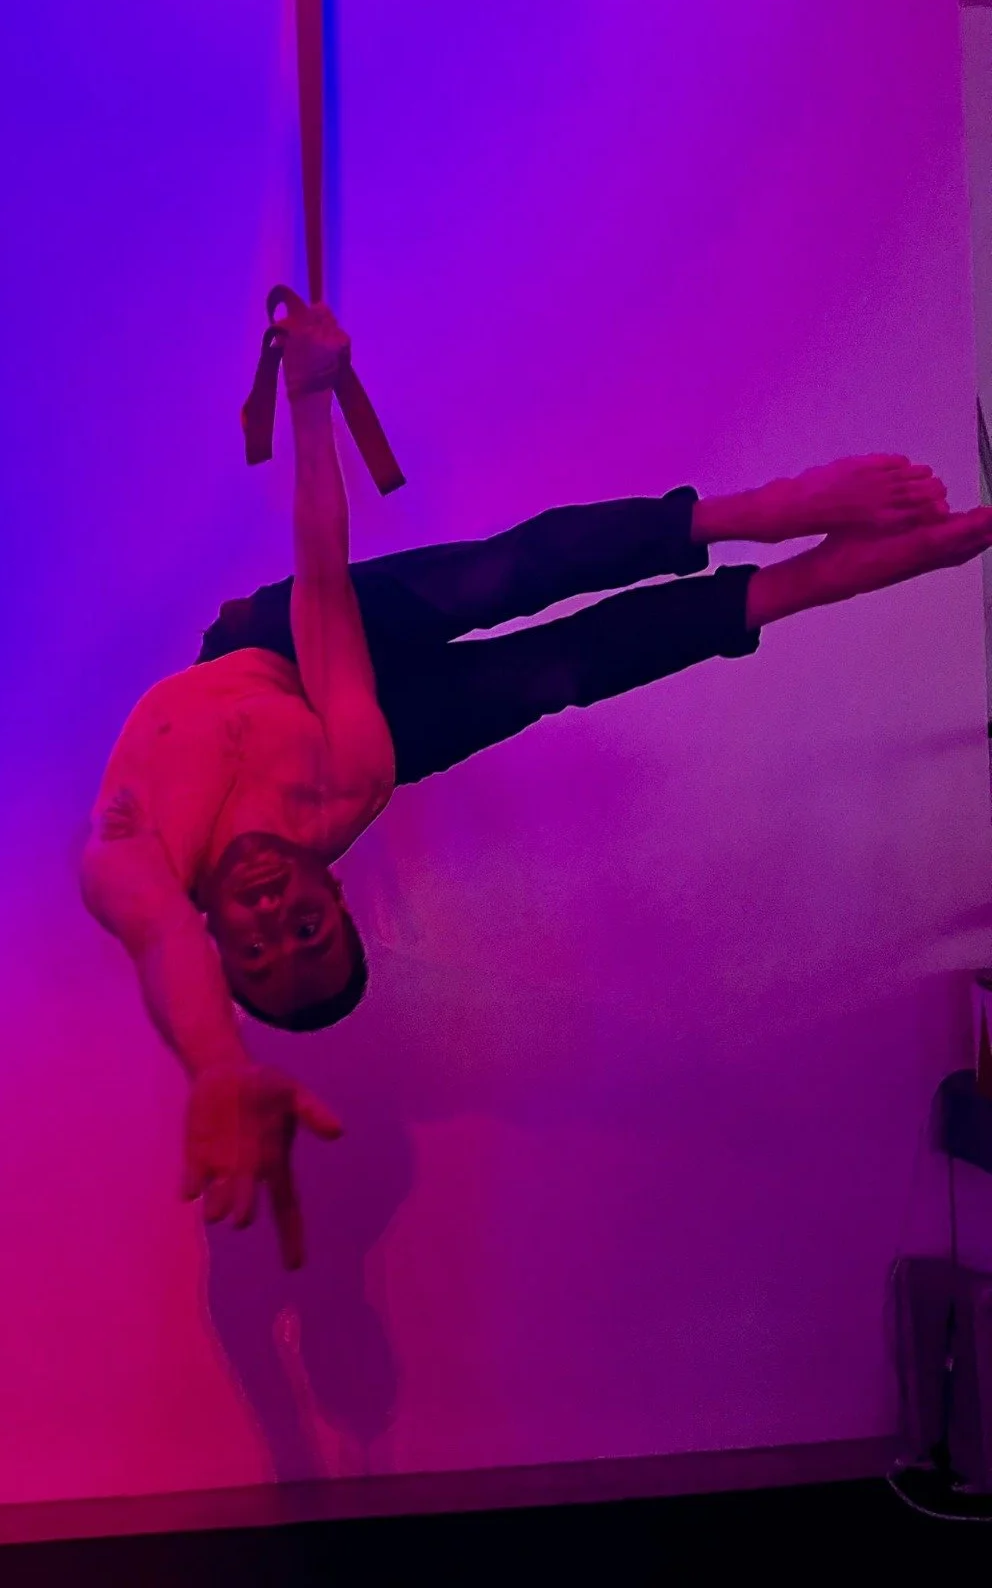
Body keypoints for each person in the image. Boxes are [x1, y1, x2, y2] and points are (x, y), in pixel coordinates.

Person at [81, 303, 992, 1267]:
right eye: (304, 927)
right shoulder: (351, 786)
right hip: (332, 716)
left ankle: (752, 513)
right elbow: (331, 601)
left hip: (262, 653)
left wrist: (311, 401)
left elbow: (316, 588)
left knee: (491, 580)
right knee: (548, 674)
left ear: (215, 940)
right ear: (333, 889)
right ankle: (815, 581)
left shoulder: (137, 848)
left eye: (259, 950)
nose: (270, 916)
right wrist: (309, 400)